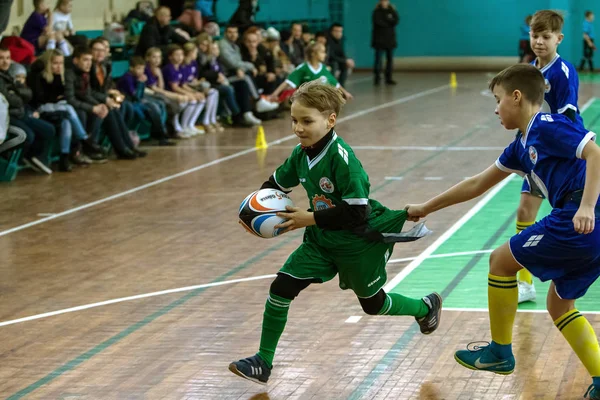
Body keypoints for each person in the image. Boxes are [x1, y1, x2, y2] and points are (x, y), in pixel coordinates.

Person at [405, 63, 600, 400]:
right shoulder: (520, 145)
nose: (495, 108)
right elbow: (477, 183)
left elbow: (596, 152)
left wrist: (585, 207)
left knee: (500, 261)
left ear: (517, 96)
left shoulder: (548, 126)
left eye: (497, 100)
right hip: (585, 225)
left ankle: (499, 352)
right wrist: (426, 207)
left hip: (579, 217)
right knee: (560, 305)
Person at [228, 81, 442, 384]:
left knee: (373, 304)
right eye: (294, 120)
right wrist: (255, 212)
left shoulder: (343, 160)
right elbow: (275, 185)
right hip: (321, 240)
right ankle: (263, 361)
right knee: (282, 287)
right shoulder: (301, 154)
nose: (298, 128)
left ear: (330, 120)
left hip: (357, 242)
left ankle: (425, 306)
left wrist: (309, 218)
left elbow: (357, 212)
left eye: (306, 121)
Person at [514, 10, 583, 303]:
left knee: (564, 216)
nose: (539, 42)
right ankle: (525, 284)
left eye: (546, 36)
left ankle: (570, 269)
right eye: (534, 35)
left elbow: (566, 117)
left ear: (559, 38)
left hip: (562, 155)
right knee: (524, 213)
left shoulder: (563, 72)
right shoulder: (530, 70)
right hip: (537, 154)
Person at [268, 42, 353, 102]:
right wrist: (275, 94)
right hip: (305, 102)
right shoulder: (303, 68)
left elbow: (335, 83)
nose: (325, 54)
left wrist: (345, 93)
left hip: (321, 103)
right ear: (313, 54)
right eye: (322, 52)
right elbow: (288, 82)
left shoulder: (323, 68)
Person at [371, 0, 398, 85]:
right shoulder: (376, 12)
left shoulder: (392, 11)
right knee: (378, 59)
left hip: (390, 39)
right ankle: (377, 77)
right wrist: (389, 20)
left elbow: (396, 21)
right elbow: (379, 22)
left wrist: (389, 21)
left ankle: (388, 78)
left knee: (389, 59)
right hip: (379, 40)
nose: (384, 2)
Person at [327, 23, 354, 87]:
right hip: (328, 62)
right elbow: (331, 56)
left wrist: (347, 60)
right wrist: (344, 60)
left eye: (340, 31)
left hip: (335, 61)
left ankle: (341, 87)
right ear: (331, 31)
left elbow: (341, 54)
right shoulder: (328, 41)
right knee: (334, 64)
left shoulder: (339, 41)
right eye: (336, 31)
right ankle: (331, 86)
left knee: (345, 65)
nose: (338, 33)